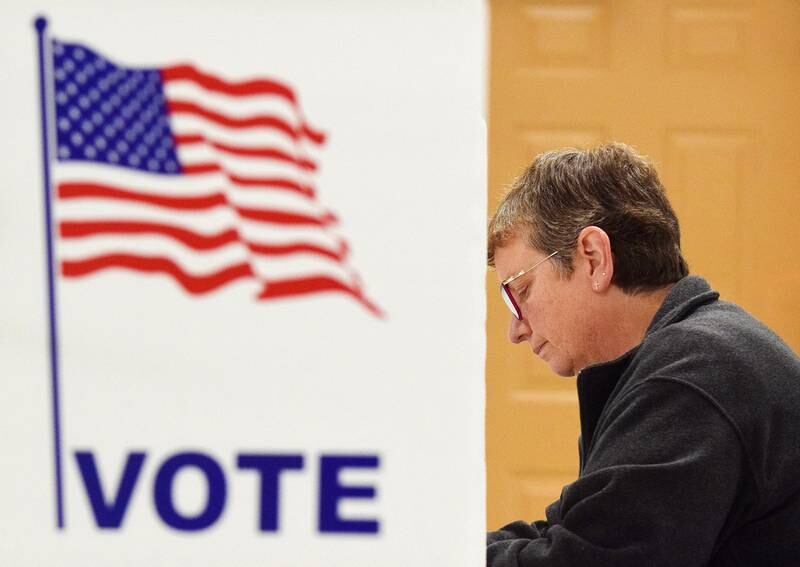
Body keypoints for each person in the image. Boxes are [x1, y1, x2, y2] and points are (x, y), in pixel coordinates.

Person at [486, 143, 800, 566]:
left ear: (594, 259)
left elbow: (586, 560)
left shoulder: (691, 378)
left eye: (520, 291)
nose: (516, 330)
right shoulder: (697, 354)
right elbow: (576, 532)